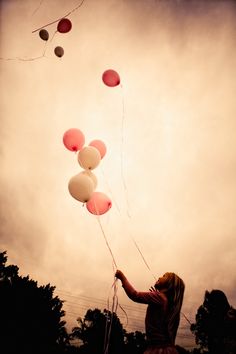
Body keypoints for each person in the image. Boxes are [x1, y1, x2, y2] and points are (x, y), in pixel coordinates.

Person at [115, 270, 185, 354]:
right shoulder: (166, 302)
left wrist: (122, 277)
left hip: (157, 350)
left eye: (164, 276)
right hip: (168, 349)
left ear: (169, 284)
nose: (160, 277)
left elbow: (134, 295)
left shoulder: (159, 297)